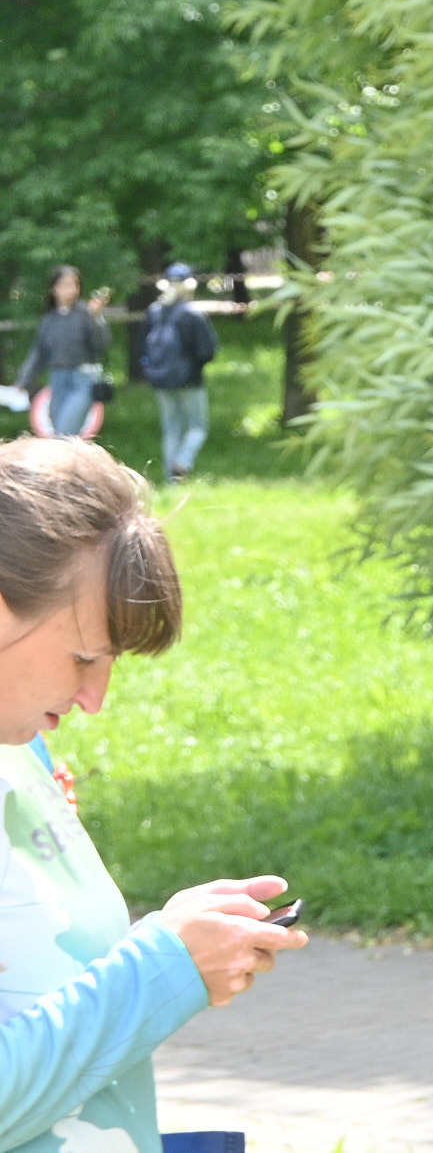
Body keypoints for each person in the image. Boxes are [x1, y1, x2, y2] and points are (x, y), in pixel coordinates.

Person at [0, 436, 307, 1153]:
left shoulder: (23, 751)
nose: (94, 697)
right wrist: (165, 969)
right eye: (82, 656)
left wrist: (178, 949)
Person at [138, 265, 221, 484]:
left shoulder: (154, 312)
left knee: (171, 429)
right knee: (197, 427)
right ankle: (183, 463)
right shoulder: (193, 314)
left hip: (161, 379)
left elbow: (142, 347)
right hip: (189, 380)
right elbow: (207, 351)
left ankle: (171, 481)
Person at [9, 270, 111, 443]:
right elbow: (39, 354)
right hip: (57, 380)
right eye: (65, 284)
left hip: (83, 380)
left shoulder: (87, 314)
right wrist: (22, 381)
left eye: (75, 284)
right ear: (53, 289)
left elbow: (102, 344)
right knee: (59, 434)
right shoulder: (49, 319)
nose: (71, 289)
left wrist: (96, 318)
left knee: (65, 434)